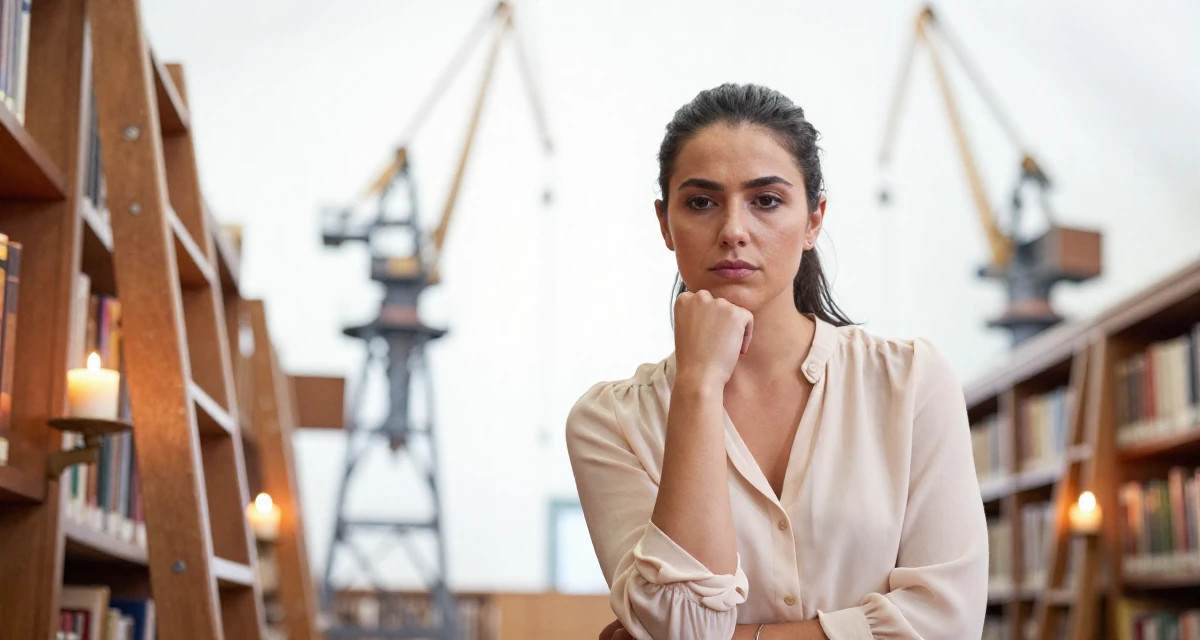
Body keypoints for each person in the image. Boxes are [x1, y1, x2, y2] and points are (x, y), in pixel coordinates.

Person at [565, 83, 988, 640]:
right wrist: (697, 387)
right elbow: (682, 622)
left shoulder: (910, 382)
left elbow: (946, 623)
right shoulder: (609, 422)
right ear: (665, 224)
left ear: (814, 220)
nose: (734, 231)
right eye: (700, 202)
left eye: (766, 200)